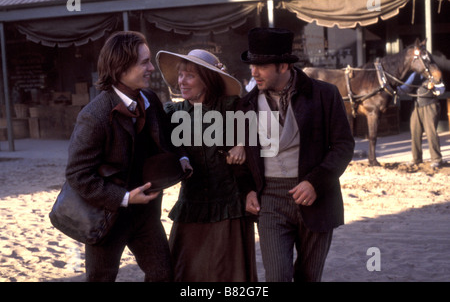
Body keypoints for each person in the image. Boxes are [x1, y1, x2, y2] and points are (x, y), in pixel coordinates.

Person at [65, 31, 189, 282]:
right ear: (121, 67)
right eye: (144, 62)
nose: (151, 68)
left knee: (163, 275)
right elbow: (77, 175)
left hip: (146, 215)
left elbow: (171, 137)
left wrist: (182, 158)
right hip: (106, 217)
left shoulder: (151, 99)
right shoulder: (94, 116)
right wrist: (123, 198)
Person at [237, 27, 355, 282]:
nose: (253, 72)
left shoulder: (324, 94)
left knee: (309, 277)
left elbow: (344, 145)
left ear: (282, 66)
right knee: (277, 276)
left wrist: (315, 182)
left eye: (261, 65)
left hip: (317, 199)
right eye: (251, 65)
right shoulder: (245, 104)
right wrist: (247, 190)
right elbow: (243, 160)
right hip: (269, 200)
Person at [156, 49, 257, 282]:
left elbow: (262, 122)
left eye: (189, 75)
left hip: (229, 206)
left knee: (229, 275)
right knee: (185, 272)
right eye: (180, 75)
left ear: (208, 80)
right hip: (191, 205)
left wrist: (243, 143)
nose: (181, 81)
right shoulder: (173, 113)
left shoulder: (231, 107)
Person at [399, 72, 446, 168]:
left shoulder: (434, 73)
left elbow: (441, 89)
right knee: (415, 132)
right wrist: (394, 89)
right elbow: (405, 88)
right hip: (416, 106)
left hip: (430, 105)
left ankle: (436, 159)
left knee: (431, 133)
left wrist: (433, 87)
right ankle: (416, 158)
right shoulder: (414, 75)